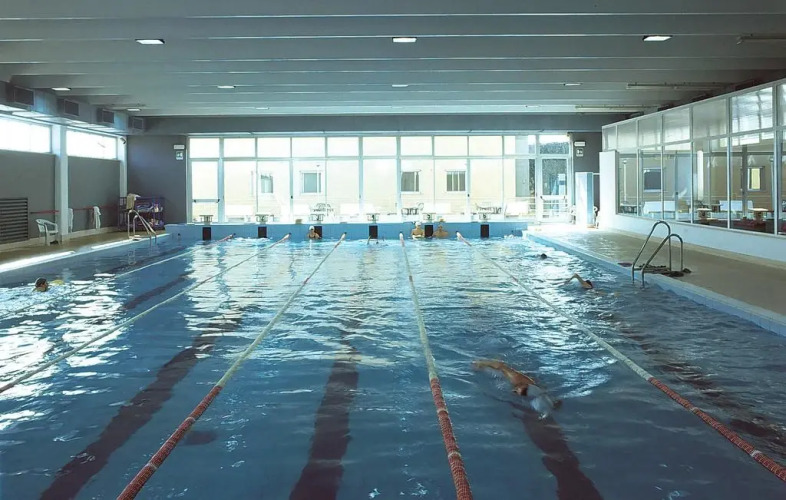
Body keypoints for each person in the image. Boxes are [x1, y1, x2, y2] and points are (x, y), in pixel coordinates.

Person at [473, 359, 561, 416]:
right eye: (518, 390)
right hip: (503, 373)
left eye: (519, 390)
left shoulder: (532, 391)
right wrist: (482, 363)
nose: (517, 390)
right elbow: (500, 364)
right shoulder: (515, 378)